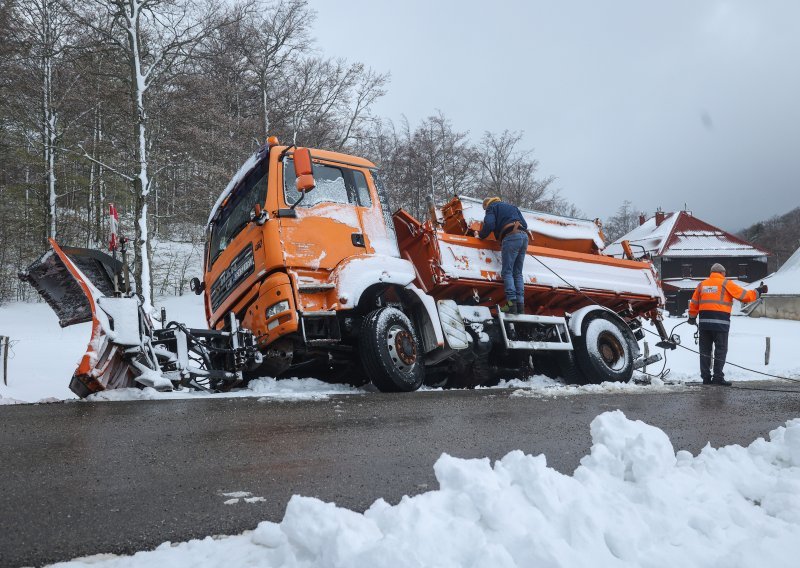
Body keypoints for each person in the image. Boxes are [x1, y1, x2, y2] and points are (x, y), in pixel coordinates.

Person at [687, 263, 767, 386]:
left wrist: (692, 317)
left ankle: (706, 378)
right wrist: (759, 291)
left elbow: (694, 303)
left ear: (712, 273)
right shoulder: (726, 283)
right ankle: (718, 377)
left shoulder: (702, 285)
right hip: (721, 323)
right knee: (720, 350)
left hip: (704, 324)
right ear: (722, 273)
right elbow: (744, 296)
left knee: (704, 351)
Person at [475, 196, 529, 314]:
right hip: (524, 237)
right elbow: (525, 224)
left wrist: (481, 236)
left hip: (511, 237)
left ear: (486, 205)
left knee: (507, 272)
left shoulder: (492, 207)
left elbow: (489, 224)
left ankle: (511, 304)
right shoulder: (512, 207)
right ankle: (520, 306)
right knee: (518, 273)